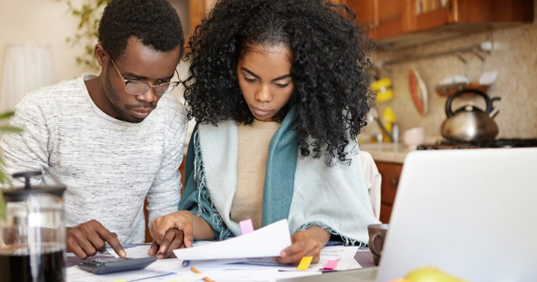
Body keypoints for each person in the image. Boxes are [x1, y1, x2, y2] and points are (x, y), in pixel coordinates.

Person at [150, 0, 380, 264]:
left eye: (281, 83)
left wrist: (314, 237)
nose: (262, 96)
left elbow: (344, 218)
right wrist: (185, 221)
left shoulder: (327, 128)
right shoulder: (212, 130)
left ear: (304, 76)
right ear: (229, 67)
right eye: (250, 78)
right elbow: (210, 218)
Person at [0, 0, 188, 259]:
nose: (150, 97)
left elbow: (164, 213)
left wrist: (171, 232)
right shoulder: (41, 113)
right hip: (51, 268)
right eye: (134, 81)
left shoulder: (170, 116)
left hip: (127, 272)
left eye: (163, 82)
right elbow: (5, 224)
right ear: (102, 56)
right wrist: (61, 235)